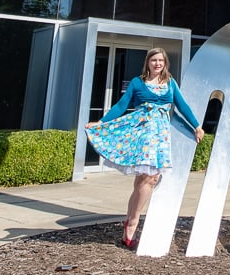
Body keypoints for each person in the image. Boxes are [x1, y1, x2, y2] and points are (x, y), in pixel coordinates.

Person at [84, 47, 204, 248]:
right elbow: (122, 105)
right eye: (154, 60)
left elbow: (182, 106)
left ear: (165, 64)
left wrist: (196, 125)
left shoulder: (170, 83)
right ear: (147, 62)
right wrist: (102, 122)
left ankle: (129, 223)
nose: (157, 64)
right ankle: (132, 223)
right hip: (141, 134)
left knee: (147, 179)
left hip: (160, 136)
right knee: (148, 178)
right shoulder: (137, 83)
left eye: (161, 61)